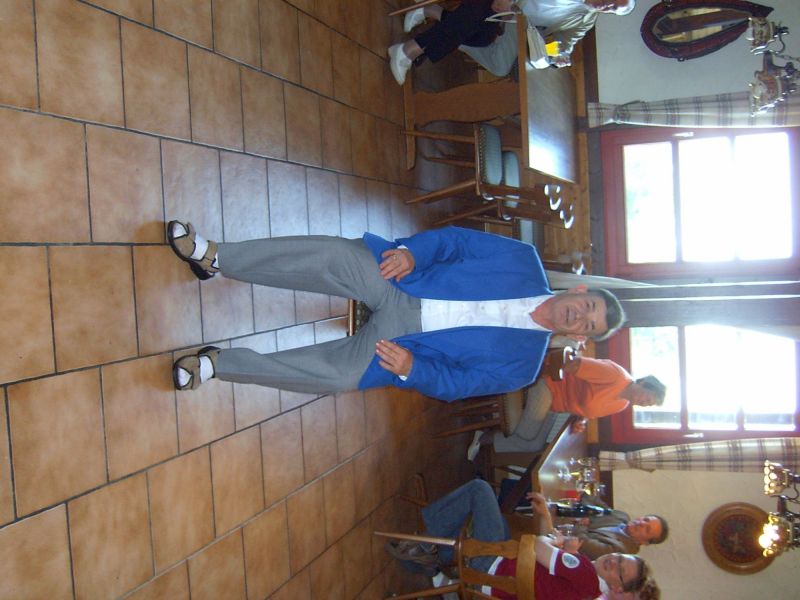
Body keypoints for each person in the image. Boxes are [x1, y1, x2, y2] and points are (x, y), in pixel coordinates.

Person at [166, 223, 624, 402]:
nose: (578, 317)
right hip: (403, 280)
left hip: (406, 345)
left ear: (580, 338)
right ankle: (217, 257)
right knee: (336, 256)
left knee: (337, 377)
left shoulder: (522, 368)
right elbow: (457, 242)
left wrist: (413, 369)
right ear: (580, 290)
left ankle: (220, 364)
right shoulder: (523, 259)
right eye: (587, 307)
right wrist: (412, 253)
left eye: (588, 326)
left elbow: (457, 385)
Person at [384, 479, 660, 599]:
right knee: (502, 522)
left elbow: (538, 545)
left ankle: (425, 545)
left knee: (480, 490)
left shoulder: (586, 573)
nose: (613, 561)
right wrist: (556, 539)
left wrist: (561, 546)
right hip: (497, 588)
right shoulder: (588, 592)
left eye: (619, 569)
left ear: (618, 586)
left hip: (492, 568)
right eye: (620, 559)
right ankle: (434, 557)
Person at [388, 0, 636, 85]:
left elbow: (562, 42)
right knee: (476, 16)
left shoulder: (586, 19)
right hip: (509, 4)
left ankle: (432, 13)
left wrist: (556, 54)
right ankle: (410, 50)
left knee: (488, 48)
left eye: (613, 9)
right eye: (613, 0)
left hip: (517, 21)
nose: (608, 5)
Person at [467, 357, 666, 457]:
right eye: (647, 397)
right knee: (527, 434)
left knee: (534, 445)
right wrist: (540, 372)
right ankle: (485, 433)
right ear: (643, 383)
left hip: (555, 406)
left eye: (647, 404)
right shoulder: (616, 376)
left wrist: (582, 420)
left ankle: (482, 438)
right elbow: (575, 363)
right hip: (549, 386)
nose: (643, 402)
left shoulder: (622, 404)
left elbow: (589, 409)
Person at [558, 494, 669, 560]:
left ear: (645, 542)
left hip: (559, 546)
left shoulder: (621, 551)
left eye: (647, 529)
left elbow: (582, 543)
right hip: (561, 519)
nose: (642, 523)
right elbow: (592, 499)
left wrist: (582, 522)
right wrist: (585, 515)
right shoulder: (622, 516)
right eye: (646, 519)